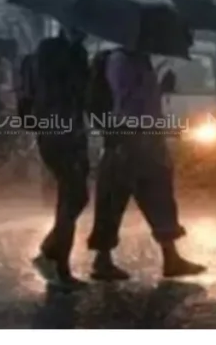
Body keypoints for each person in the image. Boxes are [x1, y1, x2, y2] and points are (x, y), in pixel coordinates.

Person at [87, 46, 206, 280]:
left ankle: (169, 257)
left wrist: (160, 89)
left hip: (141, 136)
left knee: (152, 196)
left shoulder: (139, 59)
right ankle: (104, 260)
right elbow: (127, 100)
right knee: (122, 197)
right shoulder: (122, 61)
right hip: (133, 137)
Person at [30, 26, 91, 288]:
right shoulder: (54, 52)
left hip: (69, 131)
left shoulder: (74, 52)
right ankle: (59, 266)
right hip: (58, 132)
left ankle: (50, 253)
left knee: (77, 196)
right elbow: (67, 90)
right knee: (71, 195)